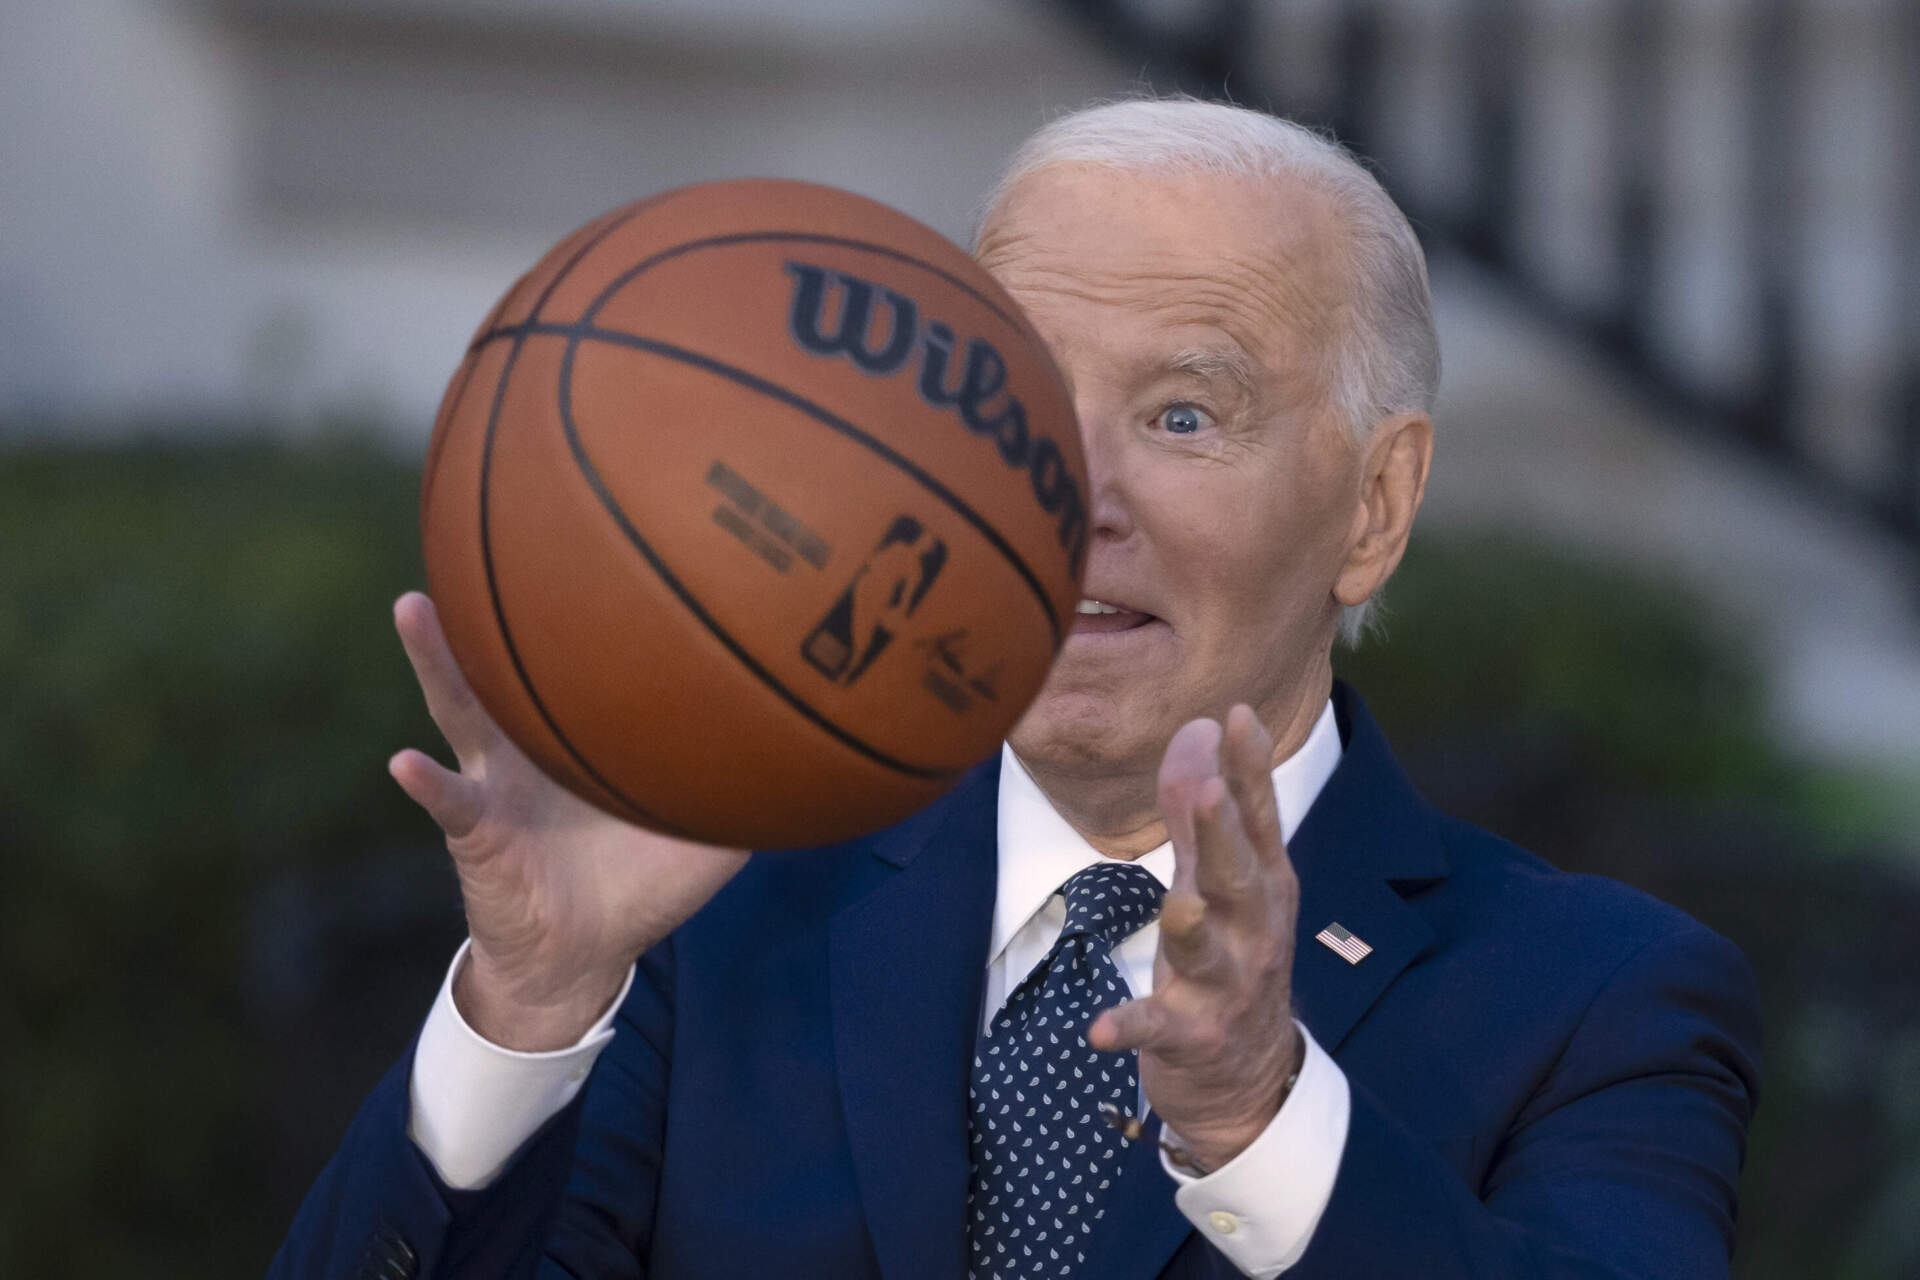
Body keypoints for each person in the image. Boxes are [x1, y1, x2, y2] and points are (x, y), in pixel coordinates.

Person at [273, 98, 1760, 1280]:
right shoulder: (708, 924)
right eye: (1021, 406)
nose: (1068, 499)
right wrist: (528, 1014)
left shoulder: (1599, 1002)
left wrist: (1259, 1126)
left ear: (1376, 505)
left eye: (1184, 413)